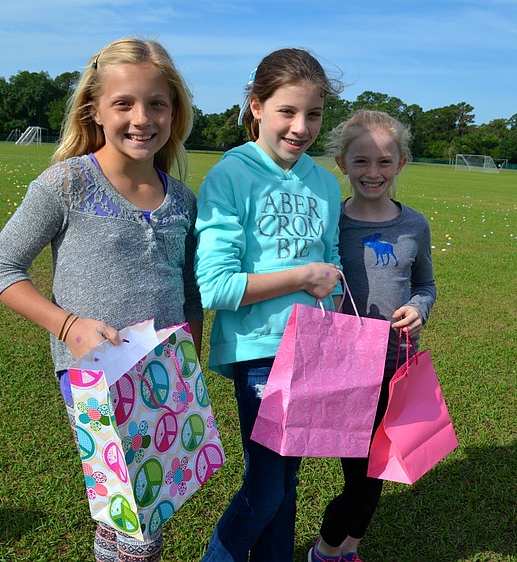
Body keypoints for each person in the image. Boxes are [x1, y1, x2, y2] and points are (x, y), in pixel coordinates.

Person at [0, 38, 203, 562]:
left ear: (175, 111)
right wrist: (68, 326)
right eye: (123, 103)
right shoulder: (67, 183)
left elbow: (189, 290)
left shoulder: (183, 198)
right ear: (94, 109)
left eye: (157, 103)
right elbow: (0, 269)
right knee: (136, 520)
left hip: (166, 372)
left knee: (147, 504)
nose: (141, 117)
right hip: (94, 374)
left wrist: (190, 351)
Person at [194, 48, 344, 562]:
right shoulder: (232, 175)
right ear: (256, 106)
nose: (301, 127)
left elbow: (334, 262)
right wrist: (302, 276)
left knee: (288, 483)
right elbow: (214, 286)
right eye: (287, 111)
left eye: (314, 114)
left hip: (313, 349)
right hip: (260, 350)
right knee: (265, 490)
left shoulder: (324, 182)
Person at [307, 110, 436, 562]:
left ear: (401, 164)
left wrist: (418, 310)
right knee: (360, 475)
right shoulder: (328, 224)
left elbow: (426, 285)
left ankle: (349, 550)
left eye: (384, 162)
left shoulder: (414, 225)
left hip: (396, 366)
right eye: (361, 162)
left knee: (381, 469)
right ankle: (324, 551)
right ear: (341, 163)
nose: (373, 173)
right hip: (345, 367)